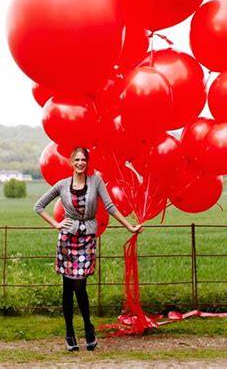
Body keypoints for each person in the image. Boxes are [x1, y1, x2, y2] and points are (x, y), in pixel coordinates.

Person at [34, 146, 142, 352]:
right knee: (67, 289)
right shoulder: (62, 185)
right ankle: (69, 333)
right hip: (67, 240)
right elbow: (38, 206)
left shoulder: (96, 182)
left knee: (80, 287)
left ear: (87, 162)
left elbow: (109, 206)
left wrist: (129, 226)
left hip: (86, 241)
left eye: (83, 159)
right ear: (71, 162)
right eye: (77, 160)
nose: (80, 163)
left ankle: (88, 327)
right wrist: (56, 224)